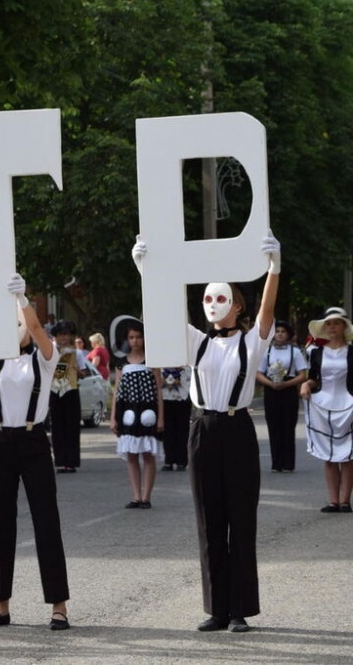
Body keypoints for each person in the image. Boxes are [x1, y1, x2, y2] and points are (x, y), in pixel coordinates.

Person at [132, 231, 280, 633]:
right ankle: (217, 608)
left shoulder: (252, 343)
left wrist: (273, 270)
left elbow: (268, 312)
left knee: (240, 520)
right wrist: (146, 271)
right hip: (202, 428)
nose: (213, 306)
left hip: (237, 427)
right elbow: (161, 313)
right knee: (208, 519)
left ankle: (240, 611)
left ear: (236, 306)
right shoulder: (197, 341)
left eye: (221, 299)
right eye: (208, 299)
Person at [0, 265, 71, 631]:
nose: (16, 328)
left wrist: (23, 300)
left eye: (18, 322)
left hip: (33, 440)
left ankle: (58, 606)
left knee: (46, 521)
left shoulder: (45, 358)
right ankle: (0, 605)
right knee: (0, 523)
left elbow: (39, 330)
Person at [300, 307, 353, 512]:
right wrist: (306, 385)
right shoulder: (316, 352)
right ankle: (333, 500)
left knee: (348, 455)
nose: (332, 327)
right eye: (328, 323)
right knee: (329, 456)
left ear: (344, 326)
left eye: (336, 323)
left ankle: (345, 500)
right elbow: (314, 377)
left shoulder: (351, 351)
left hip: (348, 404)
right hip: (323, 404)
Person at [109, 318, 163, 509]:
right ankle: (136, 496)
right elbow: (116, 390)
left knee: (148, 454)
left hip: (148, 411)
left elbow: (158, 390)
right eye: (131, 337)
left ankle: (146, 496)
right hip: (127, 411)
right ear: (127, 339)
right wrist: (113, 416)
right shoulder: (121, 363)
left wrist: (161, 417)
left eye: (138, 337)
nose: (135, 341)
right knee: (131, 455)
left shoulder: (152, 361)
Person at [256, 321, 307, 473]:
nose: (279, 334)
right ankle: (276, 462)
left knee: (288, 426)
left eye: (283, 331)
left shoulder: (295, 351)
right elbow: (258, 373)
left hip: (288, 389)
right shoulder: (268, 350)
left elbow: (302, 374)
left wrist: (287, 384)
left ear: (288, 334)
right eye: (277, 331)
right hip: (271, 390)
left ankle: (288, 463)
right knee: (273, 425)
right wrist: (270, 384)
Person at [48, 320, 87, 473]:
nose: (64, 338)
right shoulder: (50, 351)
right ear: (55, 337)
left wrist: (77, 371)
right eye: (61, 335)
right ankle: (60, 461)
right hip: (54, 390)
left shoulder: (75, 353)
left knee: (72, 426)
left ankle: (71, 461)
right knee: (57, 426)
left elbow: (84, 373)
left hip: (70, 390)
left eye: (66, 335)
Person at [158, 366, 192, 471]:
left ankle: (182, 460)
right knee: (167, 429)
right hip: (164, 393)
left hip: (183, 391)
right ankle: (168, 460)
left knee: (182, 429)